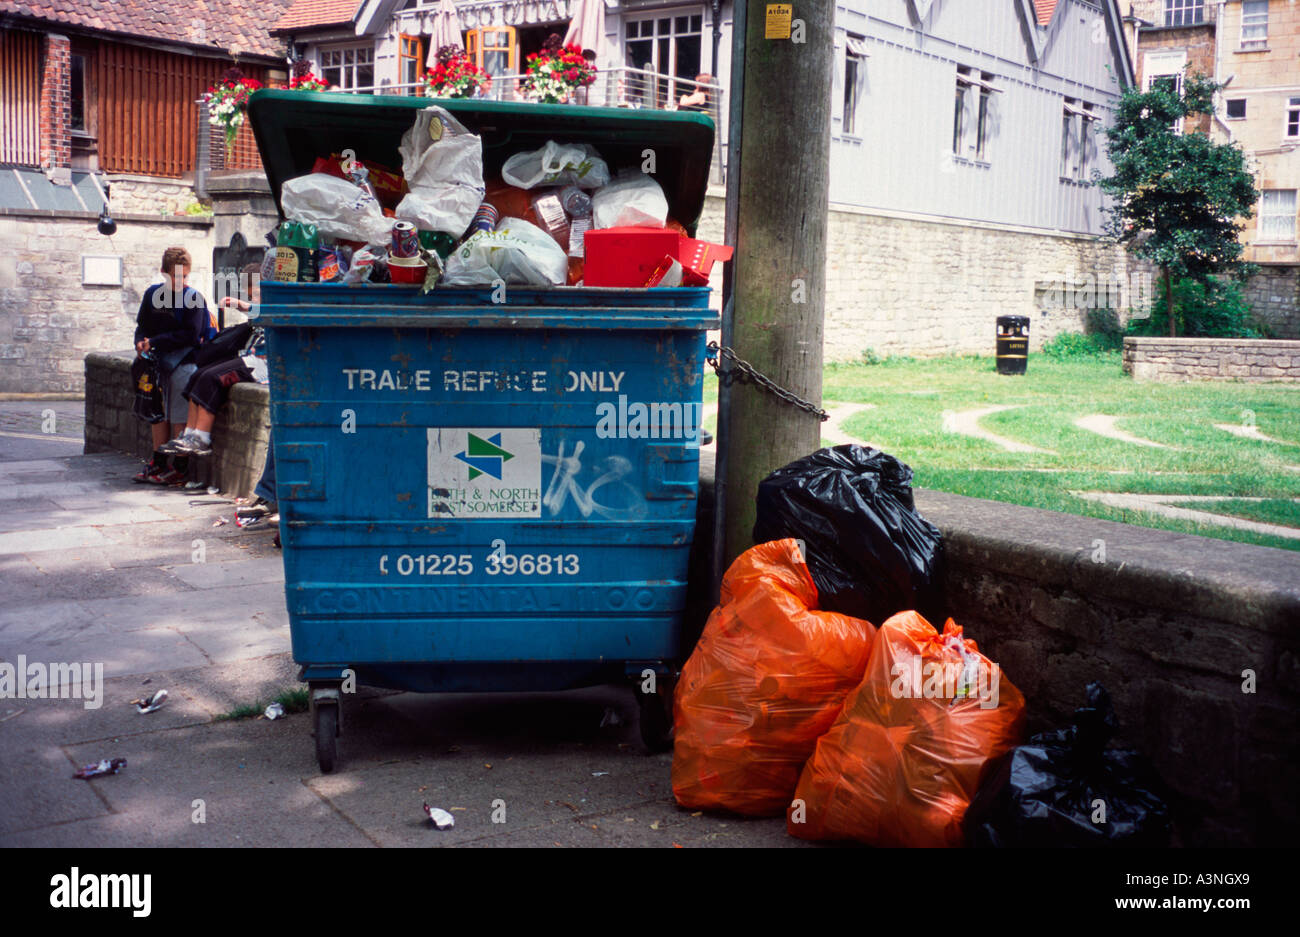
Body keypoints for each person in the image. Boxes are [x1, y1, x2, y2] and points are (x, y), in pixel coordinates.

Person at [131, 247, 215, 484]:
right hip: (158, 364)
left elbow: (191, 335)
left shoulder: (194, 299)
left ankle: (179, 467)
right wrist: (140, 342)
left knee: (178, 416)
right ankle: (158, 463)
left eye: (184, 276)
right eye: (174, 276)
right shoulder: (151, 295)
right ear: (163, 272)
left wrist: (154, 341)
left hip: (184, 363)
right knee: (158, 415)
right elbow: (142, 325)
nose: (180, 281)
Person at [160, 269, 264, 457]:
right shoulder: (261, 305)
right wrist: (243, 305)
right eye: (251, 295)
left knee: (212, 378)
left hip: (261, 363)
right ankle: (190, 435)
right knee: (198, 375)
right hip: (250, 356)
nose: (254, 299)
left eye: (256, 294)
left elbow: (269, 311)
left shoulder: (276, 304)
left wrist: (242, 304)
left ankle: (202, 438)